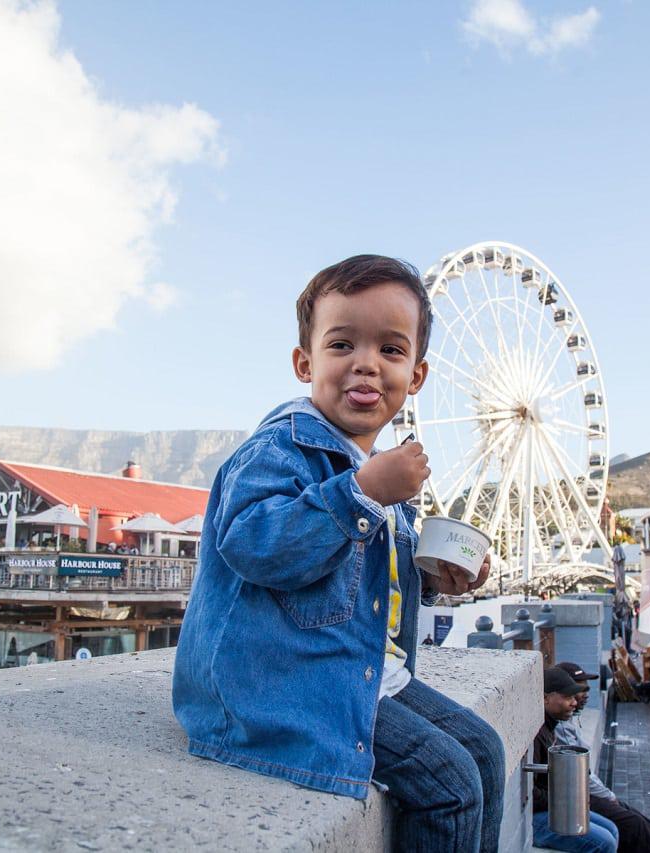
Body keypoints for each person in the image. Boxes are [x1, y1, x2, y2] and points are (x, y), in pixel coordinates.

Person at [173, 255, 503, 851]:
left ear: (417, 376)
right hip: (283, 687)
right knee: (450, 783)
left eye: (391, 350)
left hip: (364, 673)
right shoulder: (278, 450)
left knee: (486, 749)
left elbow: (380, 581)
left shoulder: (382, 469)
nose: (366, 364)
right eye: (342, 344)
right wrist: (362, 492)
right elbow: (255, 547)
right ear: (306, 362)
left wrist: (444, 577)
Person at [551, 663, 650, 853]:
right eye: (576, 691)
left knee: (640, 821)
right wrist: (608, 796)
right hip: (575, 797)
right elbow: (580, 775)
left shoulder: (565, 720)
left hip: (583, 793)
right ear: (550, 697)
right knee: (632, 825)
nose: (584, 695)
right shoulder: (558, 727)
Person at [534, 667, 620, 853]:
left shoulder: (550, 727)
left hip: (551, 808)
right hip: (535, 818)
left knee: (613, 828)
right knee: (604, 843)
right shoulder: (535, 733)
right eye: (567, 697)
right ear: (545, 698)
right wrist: (563, 801)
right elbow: (530, 794)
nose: (574, 703)